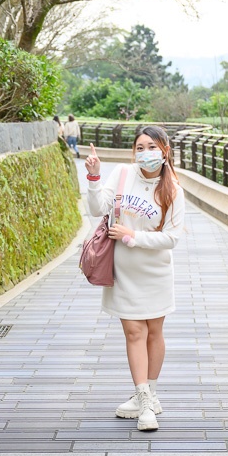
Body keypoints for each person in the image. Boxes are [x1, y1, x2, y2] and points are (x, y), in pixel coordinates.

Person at [84, 126, 185, 432]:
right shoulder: (124, 174)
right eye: (139, 148)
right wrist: (94, 177)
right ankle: (144, 401)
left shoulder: (173, 191)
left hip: (155, 271)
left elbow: (171, 238)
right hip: (123, 270)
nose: (145, 153)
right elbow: (97, 208)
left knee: (154, 331)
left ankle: (151, 392)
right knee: (133, 332)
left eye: (151, 147)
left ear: (164, 151)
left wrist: (132, 236)